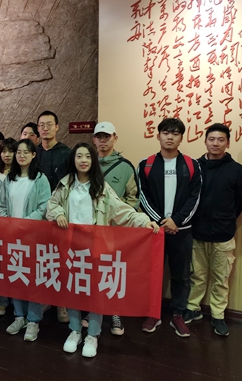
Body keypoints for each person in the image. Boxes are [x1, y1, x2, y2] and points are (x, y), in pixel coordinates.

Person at [47, 143, 159, 358]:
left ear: (93, 160)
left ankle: (93, 334)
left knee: (96, 294)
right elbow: (51, 205)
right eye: (79, 156)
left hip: (95, 249)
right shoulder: (65, 184)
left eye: (87, 156)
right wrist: (58, 212)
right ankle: (75, 331)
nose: (83, 160)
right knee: (73, 292)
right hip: (71, 248)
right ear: (73, 160)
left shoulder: (102, 187)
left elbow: (123, 211)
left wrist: (144, 221)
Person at [184, 123, 242, 336]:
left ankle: (218, 315)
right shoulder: (194, 167)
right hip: (197, 232)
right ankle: (193, 308)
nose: (216, 143)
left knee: (221, 279)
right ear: (205, 141)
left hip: (223, 234)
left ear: (228, 143)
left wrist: (227, 216)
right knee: (197, 276)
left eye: (221, 139)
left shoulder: (236, 170)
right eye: (211, 139)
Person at [138, 117, 201, 338]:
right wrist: (162, 222)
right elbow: (142, 197)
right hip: (155, 231)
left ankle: (178, 314)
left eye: (175, 133)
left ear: (181, 137)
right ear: (158, 136)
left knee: (181, 275)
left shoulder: (192, 165)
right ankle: (152, 313)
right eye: (166, 132)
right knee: (153, 273)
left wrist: (177, 221)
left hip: (181, 231)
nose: (170, 137)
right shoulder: (146, 164)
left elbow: (195, 198)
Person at [0, 139, 51, 341]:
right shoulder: (8, 179)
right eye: (18, 152)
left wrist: (24, 224)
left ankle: (33, 320)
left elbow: (44, 207)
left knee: (33, 279)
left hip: (32, 237)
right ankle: (19, 316)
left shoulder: (40, 179)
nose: (21, 156)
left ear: (33, 155)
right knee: (16, 276)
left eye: (25, 152)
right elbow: (1, 205)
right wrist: (8, 223)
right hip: (11, 237)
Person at [91, 121, 139, 335]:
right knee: (92, 271)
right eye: (99, 136)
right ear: (94, 139)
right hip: (90, 230)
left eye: (107, 136)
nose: (102, 140)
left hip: (114, 231)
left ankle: (115, 313)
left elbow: (133, 198)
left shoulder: (125, 166)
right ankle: (91, 311)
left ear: (115, 138)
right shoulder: (86, 162)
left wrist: (119, 219)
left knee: (114, 272)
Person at [35, 110, 71, 323]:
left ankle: (62, 303)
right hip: (38, 217)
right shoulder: (33, 153)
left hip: (60, 217)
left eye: (49, 124)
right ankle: (44, 299)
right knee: (41, 259)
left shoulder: (66, 153)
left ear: (57, 127)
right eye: (42, 125)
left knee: (62, 260)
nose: (45, 128)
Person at [0, 137, 18, 315]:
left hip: (17, 224)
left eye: (11, 151)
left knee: (16, 261)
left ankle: (17, 300)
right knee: (0, 262)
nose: (7, 155)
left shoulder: (20, 174)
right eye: (4, 151)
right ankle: (2, 299)